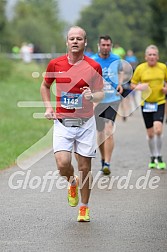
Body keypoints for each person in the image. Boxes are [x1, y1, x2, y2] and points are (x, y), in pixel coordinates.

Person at [40, 26, 104, 222]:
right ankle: (72, 182)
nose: (75, 41)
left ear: (85, 42)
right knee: (63, 164)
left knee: (85, 167)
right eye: (72, 38)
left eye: (79, 38)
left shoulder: (94, 66)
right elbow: (45, 86)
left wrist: (91, 95)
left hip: (85, 124)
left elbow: (101, 93)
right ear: (67, 42)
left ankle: (84, 208)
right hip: (63, 122)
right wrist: (48, 107)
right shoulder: (55, 64)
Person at [131, 45, 167, 169]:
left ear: (157, 56)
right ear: (146, 57)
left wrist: (166, 88)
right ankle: (152, 156)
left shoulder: (163, 67)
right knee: (150, 133)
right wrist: (138, 87)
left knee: (158, 129)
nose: (152, 57)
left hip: (160, 102)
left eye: (154, 55)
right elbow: (132, 84)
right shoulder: (140, 68)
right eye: (150, 55)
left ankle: (159, 156)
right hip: (145, 104)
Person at [91, 35, 123, 175]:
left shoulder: (116, 59)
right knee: (100, 132)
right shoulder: (92, 60)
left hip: (112, 100)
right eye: (103, 45)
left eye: (108, 45)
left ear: (111, 45)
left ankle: (108, 164)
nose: (106, 47)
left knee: (109, 130)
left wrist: (120, 83)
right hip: (98, 101)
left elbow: (121, 72)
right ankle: (103, 159)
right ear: (99, 45)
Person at [120, 49, 138, 121]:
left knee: (128, 99)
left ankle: (128, 111)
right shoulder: (119, 70)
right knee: (122, 101)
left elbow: (131, 80)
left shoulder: (130, 70)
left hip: (127, 87)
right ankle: (124, 112)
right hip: (121, 87)